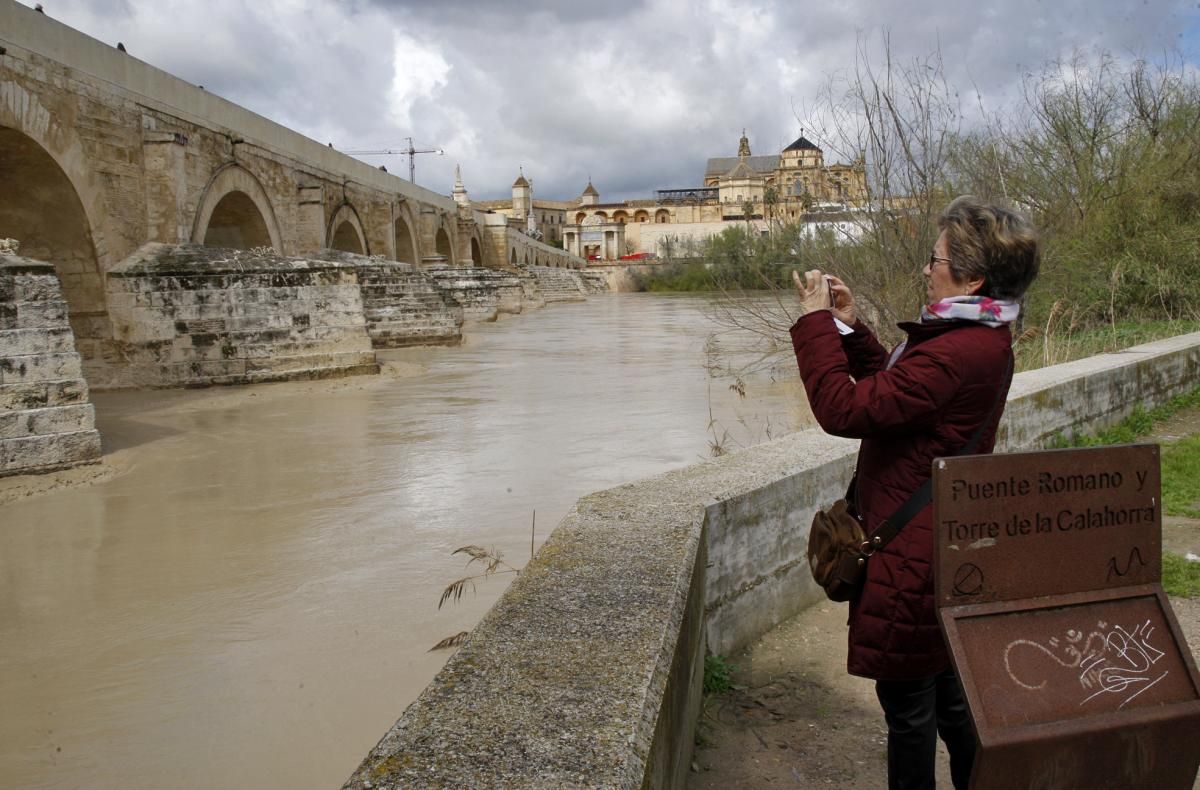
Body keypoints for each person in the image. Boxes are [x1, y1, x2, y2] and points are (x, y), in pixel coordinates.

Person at [789, 196, 1040, 790]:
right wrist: (851, 329)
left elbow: (845, 407)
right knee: (951, 697)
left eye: (936, 259)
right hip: (942, 541)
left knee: (910, 713)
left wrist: (814, 323)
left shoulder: (959, 350)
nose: (927, 268)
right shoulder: (981, 335)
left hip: (912, 558)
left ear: (972, 276)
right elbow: (902, 395)